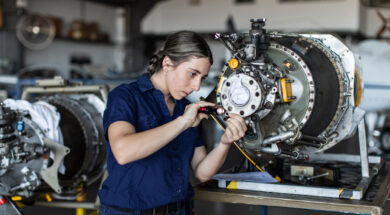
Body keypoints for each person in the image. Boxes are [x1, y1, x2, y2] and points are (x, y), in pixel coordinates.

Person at [98, 31, 247, 215]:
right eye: (192, 74)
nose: (197, 86)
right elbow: (123, 151)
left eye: (202, 78)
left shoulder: (187, 109)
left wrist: (225, 142)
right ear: (167, 63)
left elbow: (201, 172)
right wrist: (182, 122)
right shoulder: (126, 97)